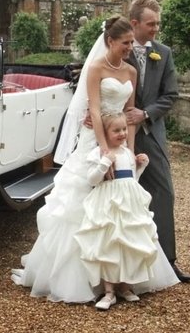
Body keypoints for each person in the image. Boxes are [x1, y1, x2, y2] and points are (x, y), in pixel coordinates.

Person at [11, 15, 138, 303]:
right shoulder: (94, 68)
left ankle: (120, 277)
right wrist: (105, 149)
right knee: (78, 203)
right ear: (110, 41)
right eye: (125, 42)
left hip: (118, 138)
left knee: (121, 205)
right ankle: (81, 278)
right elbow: (94, 110)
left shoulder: (131, 72)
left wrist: (128, 150)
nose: (130, 47)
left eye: (132, 42)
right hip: (94, 139)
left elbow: (130, 115)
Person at [74, 111, 179, 310]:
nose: (122, 133)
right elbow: (92, 180)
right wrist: (105, 163)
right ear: (104, 133)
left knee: (128, 242)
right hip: (108, 204)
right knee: (108, 244)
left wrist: (140, 167)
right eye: (117, 130)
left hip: (129, 205)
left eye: (124, 129)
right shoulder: (98, 154)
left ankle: (125, 286)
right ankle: (109, 291)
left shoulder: (127, 153)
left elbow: (132, 180)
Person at [124, 0, 190, 282]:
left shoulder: (163, 53)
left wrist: (146, 114)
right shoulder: (117, 48)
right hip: (117, 136)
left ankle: (168, 262)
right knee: (115, 199)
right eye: (151, 24)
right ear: (134, 23)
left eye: (158, 24)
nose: (156, 29)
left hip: (151, 133)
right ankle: (115, 268)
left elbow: (171, 95)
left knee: (164, 194)